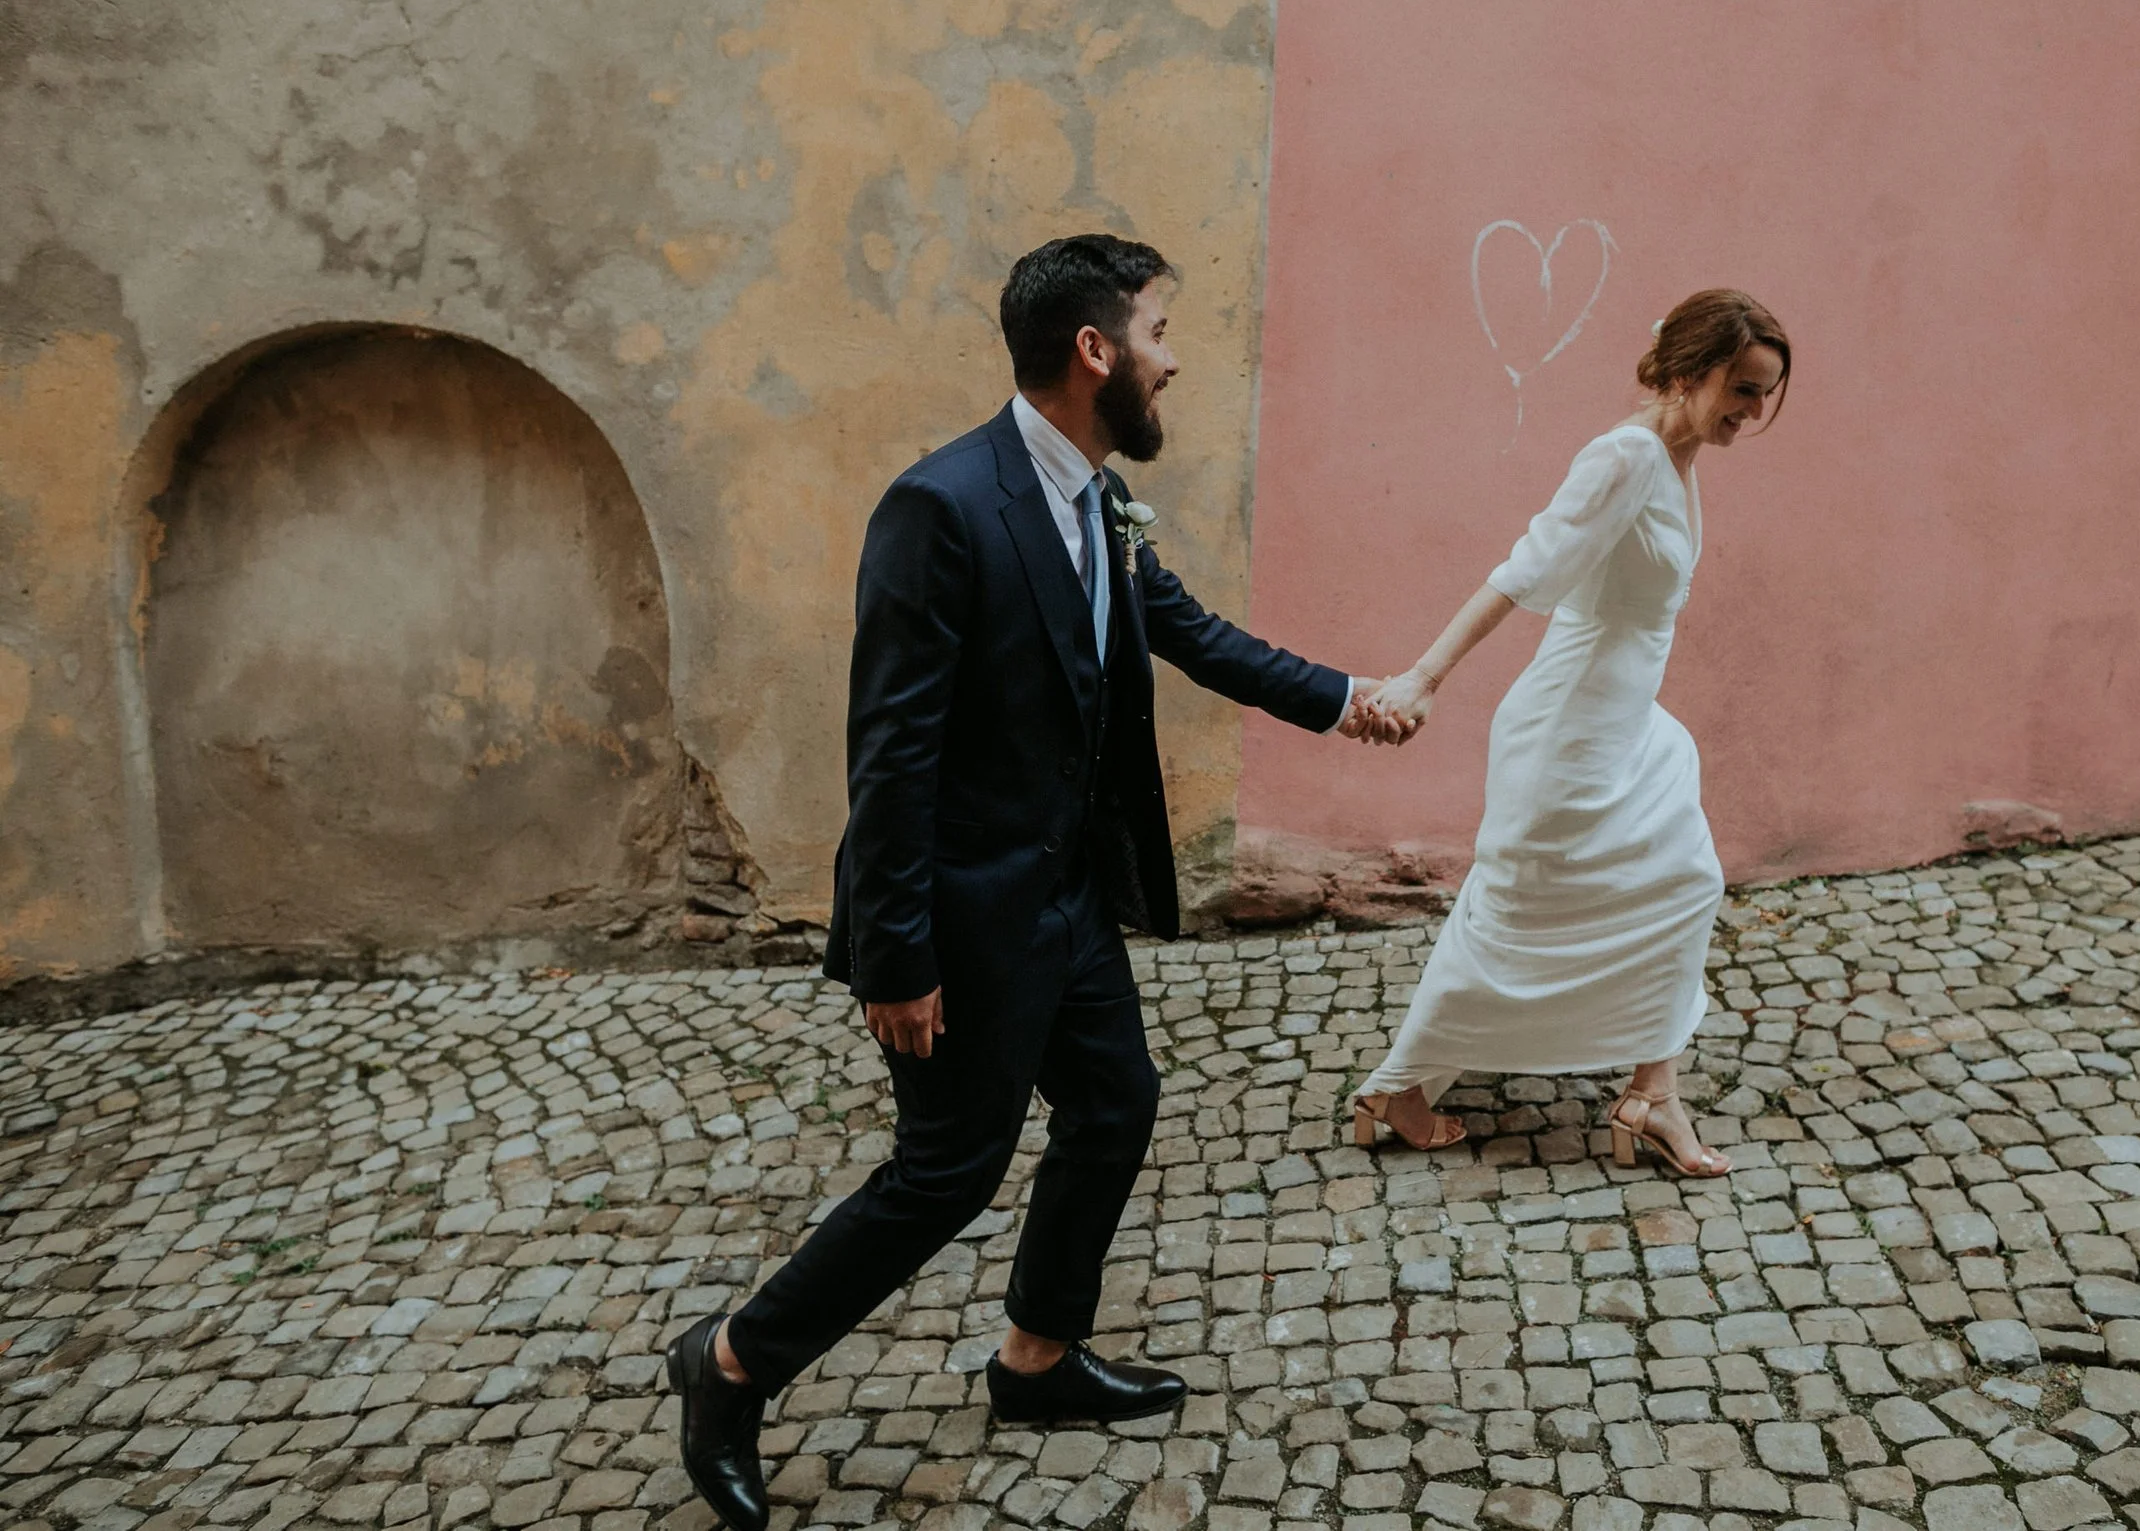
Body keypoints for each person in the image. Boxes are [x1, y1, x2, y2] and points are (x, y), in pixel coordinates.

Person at [666, 234, 1406, 1531]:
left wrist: (1350, 700)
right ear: (1094, 349)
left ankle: (1039, 1357)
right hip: (958, 914)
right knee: (945, 1172)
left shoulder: (1100, 500)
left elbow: (1192, 634)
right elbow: (890, 751)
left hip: (1066, 900)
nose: (1175, 358)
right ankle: (729, 1363)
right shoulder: (944, 507)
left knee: (1116, 1100)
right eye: (1161, 330)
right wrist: (893, 956)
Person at [1352, 290, 1791, 1176]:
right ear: (1691, 368)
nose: (1752, 412)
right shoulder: (1626, 458)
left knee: (1684, 882)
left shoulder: (1676, 457)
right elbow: (1521, 574)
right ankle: (1397, 1088)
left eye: (1764, 395)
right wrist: (1423, 678)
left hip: (1630, 726)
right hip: (1570, 727)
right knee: (1515, 910)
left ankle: (1651, 1091)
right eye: (1742, 388)